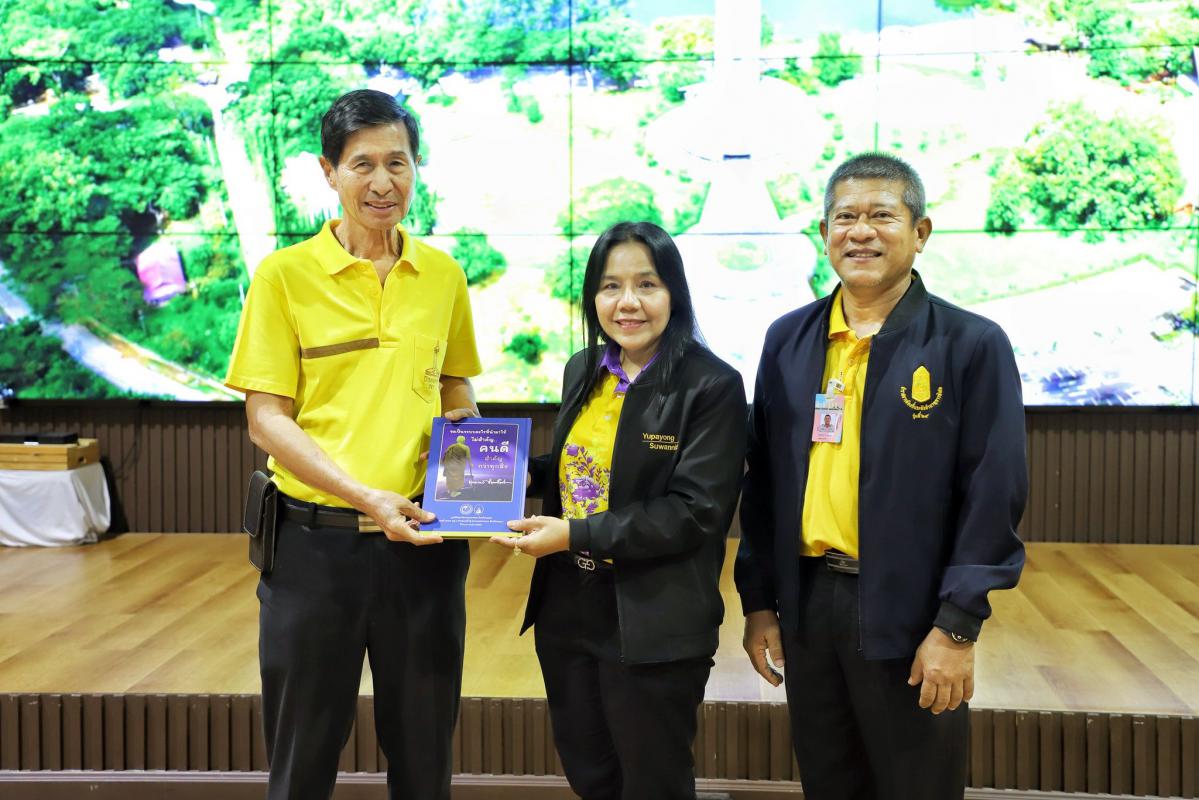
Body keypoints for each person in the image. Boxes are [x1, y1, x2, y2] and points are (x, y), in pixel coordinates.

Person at [735, 152, 1027, 800]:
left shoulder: (970, 344)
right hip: (809, 605)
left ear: (919, 233)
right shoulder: (788, 339)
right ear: (824, 233)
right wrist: (759, 603)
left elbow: (993, 491)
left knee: (916, 784)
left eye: (881, 216)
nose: (860, 232)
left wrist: (956, 626)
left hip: (912, 609)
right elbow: (763, 486)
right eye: (845, 217)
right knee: (828, 781)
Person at [225, 89, 482, 800]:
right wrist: (366, 497)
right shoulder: (283, 276)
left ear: (416, 167)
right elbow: (266, 419)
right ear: (328, 172)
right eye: (362, 164)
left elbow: (455, 385)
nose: (382, 182)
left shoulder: (443, 275)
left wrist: (468, 442)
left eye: (397, 163)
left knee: (425, 758)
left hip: (425, 546)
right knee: (302, 760)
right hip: (313, 550)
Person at [490, 221, 747, 800]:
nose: (627, 302)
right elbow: (581, 466)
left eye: (646, 284)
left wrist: (572, 534)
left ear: (674, 293)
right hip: (568, 608)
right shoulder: (583, 367)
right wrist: (497, 469)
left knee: (653, 782)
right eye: (610, 286)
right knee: (590, 772)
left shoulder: (712, 385)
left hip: (654, 617)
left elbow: (693, 512)